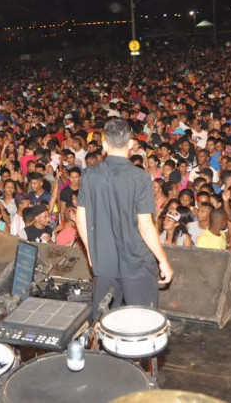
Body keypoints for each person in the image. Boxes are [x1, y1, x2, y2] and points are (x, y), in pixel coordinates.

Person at [76, 119, 173, 318]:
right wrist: (163, 260)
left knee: (105, 325)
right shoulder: (140, 177)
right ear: (130, 144)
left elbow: (81, 219)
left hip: (104, 261)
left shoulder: (89, 175)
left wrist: (91, 253)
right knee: (142, 323)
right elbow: (145, 226)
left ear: (104, 145)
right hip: (136, 263)